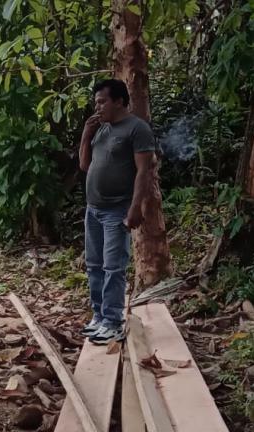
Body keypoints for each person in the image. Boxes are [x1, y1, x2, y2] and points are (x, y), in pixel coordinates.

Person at [79, 79, 156, 345]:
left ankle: (112, 322)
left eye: (102, 101)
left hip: (117, 210)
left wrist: (136, 207)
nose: (97, 107)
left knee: (114, 267)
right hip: (94, 209)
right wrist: (87, 135)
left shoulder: (137, 129)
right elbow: (84, 165)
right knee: (94, 265)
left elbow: (145, 171)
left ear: (120, 101)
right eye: (96, 102)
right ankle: (99, 316)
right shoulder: (101, 129)